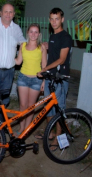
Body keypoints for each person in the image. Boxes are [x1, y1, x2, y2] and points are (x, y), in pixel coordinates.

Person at [37, 8, 73, 151]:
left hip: (60, 79)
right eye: (51, 19)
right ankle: (50, 133)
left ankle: (59, 139)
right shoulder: (52, 36)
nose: (54, 22)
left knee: (59, 110)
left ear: (62, 19)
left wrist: (44, 70)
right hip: (51, 78)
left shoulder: (66, 37)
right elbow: (52, 55)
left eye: (56, 18)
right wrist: (45, 79)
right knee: (48, 108)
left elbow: (62, 59)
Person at [14, 23, 47, 137]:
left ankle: (27, 129)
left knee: (31, 106)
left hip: (36, 80)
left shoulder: (42, 47)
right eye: (31, 31)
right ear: (27, 32)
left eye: (36, 32)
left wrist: (44, 81)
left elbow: (44, 66)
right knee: (23, 105)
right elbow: (18, 61)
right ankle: (22, 127)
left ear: (39, 34)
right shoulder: (23, 45)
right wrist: (5, 56)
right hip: (23, 78)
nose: (33, 34)